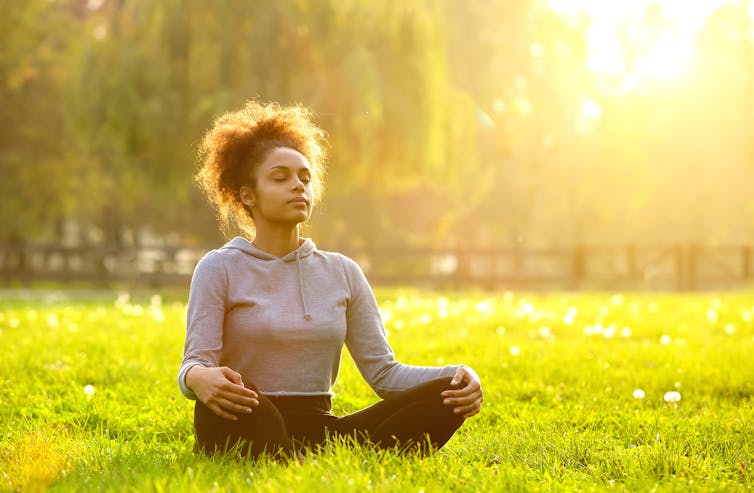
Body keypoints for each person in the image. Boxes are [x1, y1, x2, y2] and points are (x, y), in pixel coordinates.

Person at [178, 100, 483, 459]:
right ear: (248, 195)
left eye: (304, 178)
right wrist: (200, 379)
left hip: (322, 430)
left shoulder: (342, 271)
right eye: (281, 177)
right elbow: (194, 363)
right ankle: (286, 453)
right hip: (246, 415)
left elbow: (384, 374)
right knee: (245, 411)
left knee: (447, 393)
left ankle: (299, 455)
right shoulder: (219, 267)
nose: (298, 186)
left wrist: (460, 375)